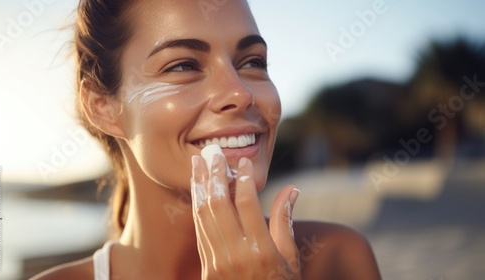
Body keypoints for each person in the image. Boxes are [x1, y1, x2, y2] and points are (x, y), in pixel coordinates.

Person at [32, 0, 381, 279]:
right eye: (183, 65)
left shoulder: (337, 257)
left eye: (252, 61)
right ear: (103, 106)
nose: (240, 93)